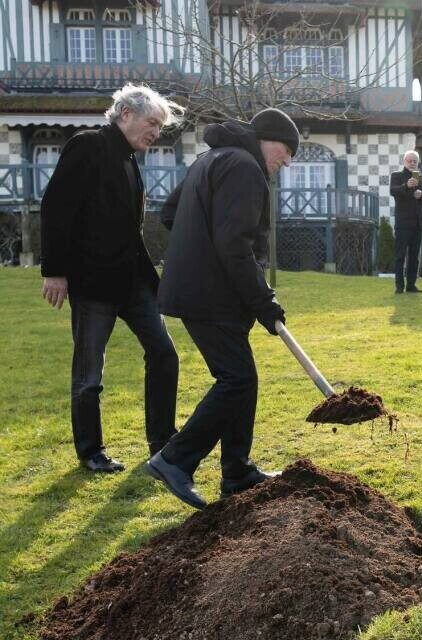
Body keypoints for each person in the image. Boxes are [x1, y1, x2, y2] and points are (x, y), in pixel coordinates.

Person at [145, 109, 298, 510]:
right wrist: (264, 302)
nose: (284, 163)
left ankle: (237, 471)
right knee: (237, 379)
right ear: (266, 139)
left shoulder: (208, 159)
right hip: (211, 295)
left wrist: (197, 244)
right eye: (284, 153)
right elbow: (235, 246)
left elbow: (170, 213)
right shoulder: (245, 167)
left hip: (203, 292)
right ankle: (175, 459)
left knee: (239, 376)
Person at [40, 84, 183, 473]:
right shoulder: (88, 145)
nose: (156, 132)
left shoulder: (128, 158)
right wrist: (54, 271)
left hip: (132, 283)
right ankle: (91, 452)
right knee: (89, 376)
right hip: (92, 283)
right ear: (125, 114)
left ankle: (163, 443)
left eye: (159, 126)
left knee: (165, 355)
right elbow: (56, 207)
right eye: (152, 123)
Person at [390, 150, 422, 293]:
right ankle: (399, 286)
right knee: (400, 256)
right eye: (410, 160)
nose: (412, 163)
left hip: (417, 225)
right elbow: (393, 191)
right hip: (402, 224)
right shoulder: (397, 176)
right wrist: (406, 186)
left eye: (415, 161)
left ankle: (411, 285)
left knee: (414, 258)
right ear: (404, 161)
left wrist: (421, 195)